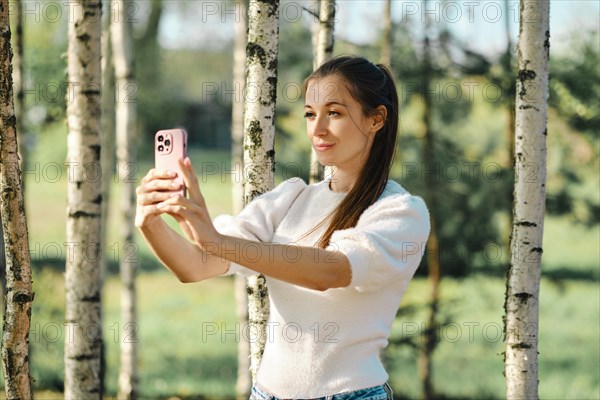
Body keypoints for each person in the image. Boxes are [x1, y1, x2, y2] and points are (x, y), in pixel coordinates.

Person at [135, 55, 430, 400]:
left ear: (377, 119)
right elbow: (195, 266)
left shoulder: (400, 211)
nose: (317, 129)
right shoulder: (291, 198)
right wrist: (150, 224)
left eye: (334, 113)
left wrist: (215, 240)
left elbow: (331, 271)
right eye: (310, 114)